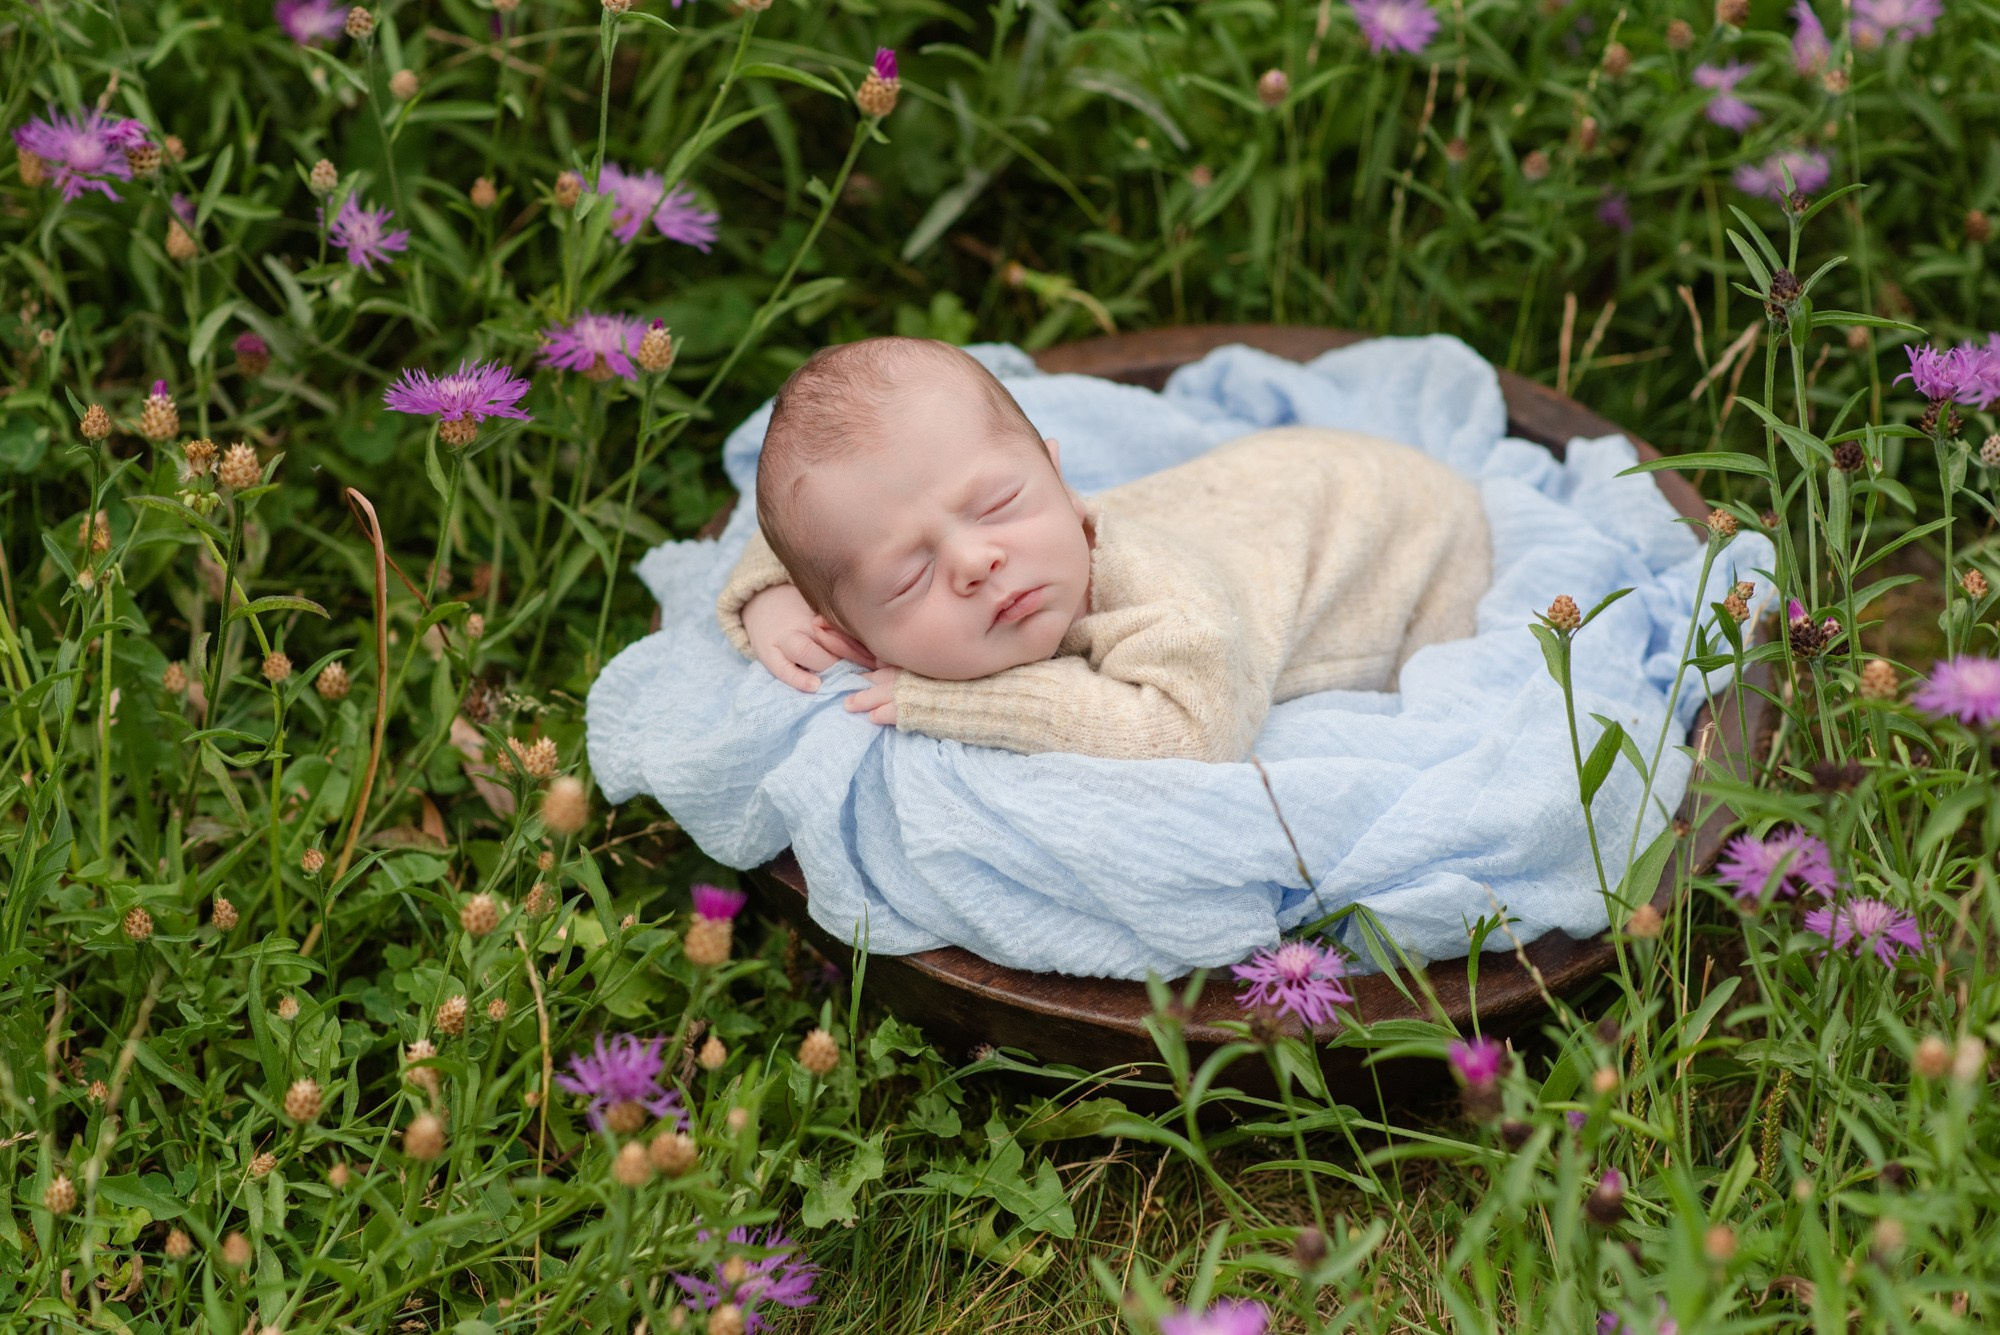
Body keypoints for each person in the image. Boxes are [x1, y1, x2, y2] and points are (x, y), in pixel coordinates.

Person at [716, 337, 1491, 763]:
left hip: (1408, 534)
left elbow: (1194, 732)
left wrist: (952, 701)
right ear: (851, 629)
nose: (976, 560)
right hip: (1279, 484)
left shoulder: (1168, 600)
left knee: (1439, 688)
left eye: (999, 504)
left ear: (1059, 476)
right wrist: (773, 593)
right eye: (911, 574)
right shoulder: (898, 552)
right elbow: (819, 526)